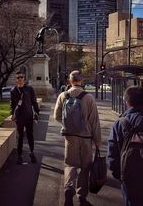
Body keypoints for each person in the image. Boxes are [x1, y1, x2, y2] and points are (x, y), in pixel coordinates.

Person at [54, 70, 101, 206]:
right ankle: (82, 196)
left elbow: (56, 116)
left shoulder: (63, 96)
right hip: (86, 138)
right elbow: (94, 122)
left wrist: (68, 125)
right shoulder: (89, 98)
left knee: (70, 164)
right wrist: (97, 141)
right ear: (82, 81)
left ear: (70, 81)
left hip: (70, 137)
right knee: (85, 167)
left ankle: (69, 188)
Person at [10, 71, 40, 164]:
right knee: (20, 137)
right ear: (16, 79)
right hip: (19, 117)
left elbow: (34, 102)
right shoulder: (13, 90)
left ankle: (32, 153)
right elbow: (12, 104)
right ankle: (19, 156)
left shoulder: (29, 89)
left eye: (21, 77)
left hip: (29, 116)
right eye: (18, 77)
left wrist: (36, 113)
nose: (20, 79)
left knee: (30, 136)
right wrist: (12, 113)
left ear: (24, 78)